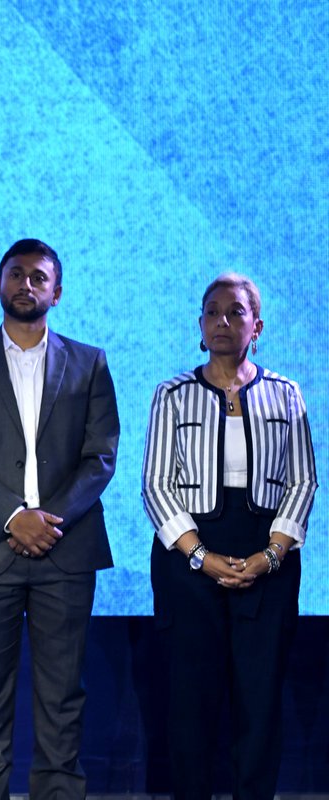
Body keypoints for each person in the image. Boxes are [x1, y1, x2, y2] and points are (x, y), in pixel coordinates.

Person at [0, 238, 119, 799]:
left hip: (67, 551)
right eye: (16, 274)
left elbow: (101, 456)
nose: (26, 285)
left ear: (56, 292)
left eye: (39, 277)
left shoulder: (90, 363)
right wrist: (14, 517)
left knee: (62, 696)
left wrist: (47, 520)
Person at [142, 273, 316, 800]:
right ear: (200, 326)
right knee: (191, 701)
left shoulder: (286, 393)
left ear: (256, 325)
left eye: (235, 311)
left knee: (259, 702)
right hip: (187, 558)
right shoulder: (172, 393)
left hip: (270, 561)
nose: (223, 320)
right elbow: (155, 484)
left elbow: (303, 480)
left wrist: (271, 554)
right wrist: (201, 556)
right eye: (212, 311)